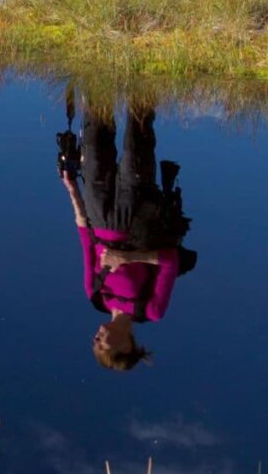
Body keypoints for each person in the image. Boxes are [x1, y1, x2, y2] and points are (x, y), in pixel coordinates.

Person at [54, 92, 196, 372]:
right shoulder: (151, 311)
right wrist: (126, 259)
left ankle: (98, 76)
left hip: (98, 214)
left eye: (95, 343)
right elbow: (170, 261)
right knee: (137, 145)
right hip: (134, 219)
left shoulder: (95, 295)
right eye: (101, 344)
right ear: (125, 346)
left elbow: (85, 240)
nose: (96, 338)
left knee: (94, 142)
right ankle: (142, 80)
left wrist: (72, 191)